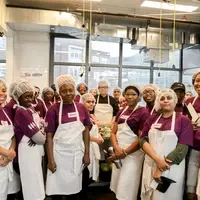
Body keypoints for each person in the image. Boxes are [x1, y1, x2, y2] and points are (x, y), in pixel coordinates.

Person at [140, 88, 193, 200]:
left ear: (175, 101)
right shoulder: (152, 118)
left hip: (171, 169)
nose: (165, 100)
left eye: (169, 98)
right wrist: (157, 159)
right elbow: (142, 140)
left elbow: (182, 149)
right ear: (158, 102)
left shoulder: (183, 120)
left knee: (166, 196)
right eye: (162, 98)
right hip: (150, 165)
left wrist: (160, 168)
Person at [45, 74, 91, 200]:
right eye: (64, 91)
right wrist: (51, 160)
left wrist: (87, 153)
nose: (68, 93)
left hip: (76, 154)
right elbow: (49, 136)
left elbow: (86, 131)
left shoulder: (81, 108)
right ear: (59, 92)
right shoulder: (53, 109)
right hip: (59, 154)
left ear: (74, 90)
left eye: (70, 90)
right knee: (57, 191)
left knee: (74, 191)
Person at [110, 85, 149, 200]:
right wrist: (116, 148)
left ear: (139, 96)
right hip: (118, 152)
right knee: (117, 183)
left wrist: (126, 152)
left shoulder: (143, 113)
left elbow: (142, 137)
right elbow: (113, 132)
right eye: (127, 94)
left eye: (133, 94)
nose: (130, 97)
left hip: (133, 154)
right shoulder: (121, 111)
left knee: (127, 185)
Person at [13, 81, 46, 200]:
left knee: (36, 178)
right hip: (27, 150)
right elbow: (40, 139)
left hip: (33, 149)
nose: (30, 99)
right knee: (31, 180)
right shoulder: (21, 112)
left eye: (31, 96)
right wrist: (39, 135)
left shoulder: (30, 109)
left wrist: (39, 134)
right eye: (26, 96)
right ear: (18, 97)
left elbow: (40, 131)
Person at [81, 93, 104, 199]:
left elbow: (94, 130)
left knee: (90, 175)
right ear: (83, 102)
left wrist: (99, 135)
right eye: (88, 102)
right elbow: (81, 134)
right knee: (85, 173)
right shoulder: (81, 115)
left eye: (93, 102)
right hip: (85, 147)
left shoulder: (90, 115)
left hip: (93, 146)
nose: (91, 104)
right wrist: (96, 139)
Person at [0, 79, 20, 200]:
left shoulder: (5, 111)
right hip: (3, 157)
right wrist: (6, 153)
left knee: (8, 193)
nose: (2, 94)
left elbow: (12, 135)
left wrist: (11, 152)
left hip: (7, 160)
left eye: (3, 90)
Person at [185, 71, 200, 200]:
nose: (199, 84)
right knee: (191, 183)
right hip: (193, 147)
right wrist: (189, 124)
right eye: (197, 80)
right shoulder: (189, 102)